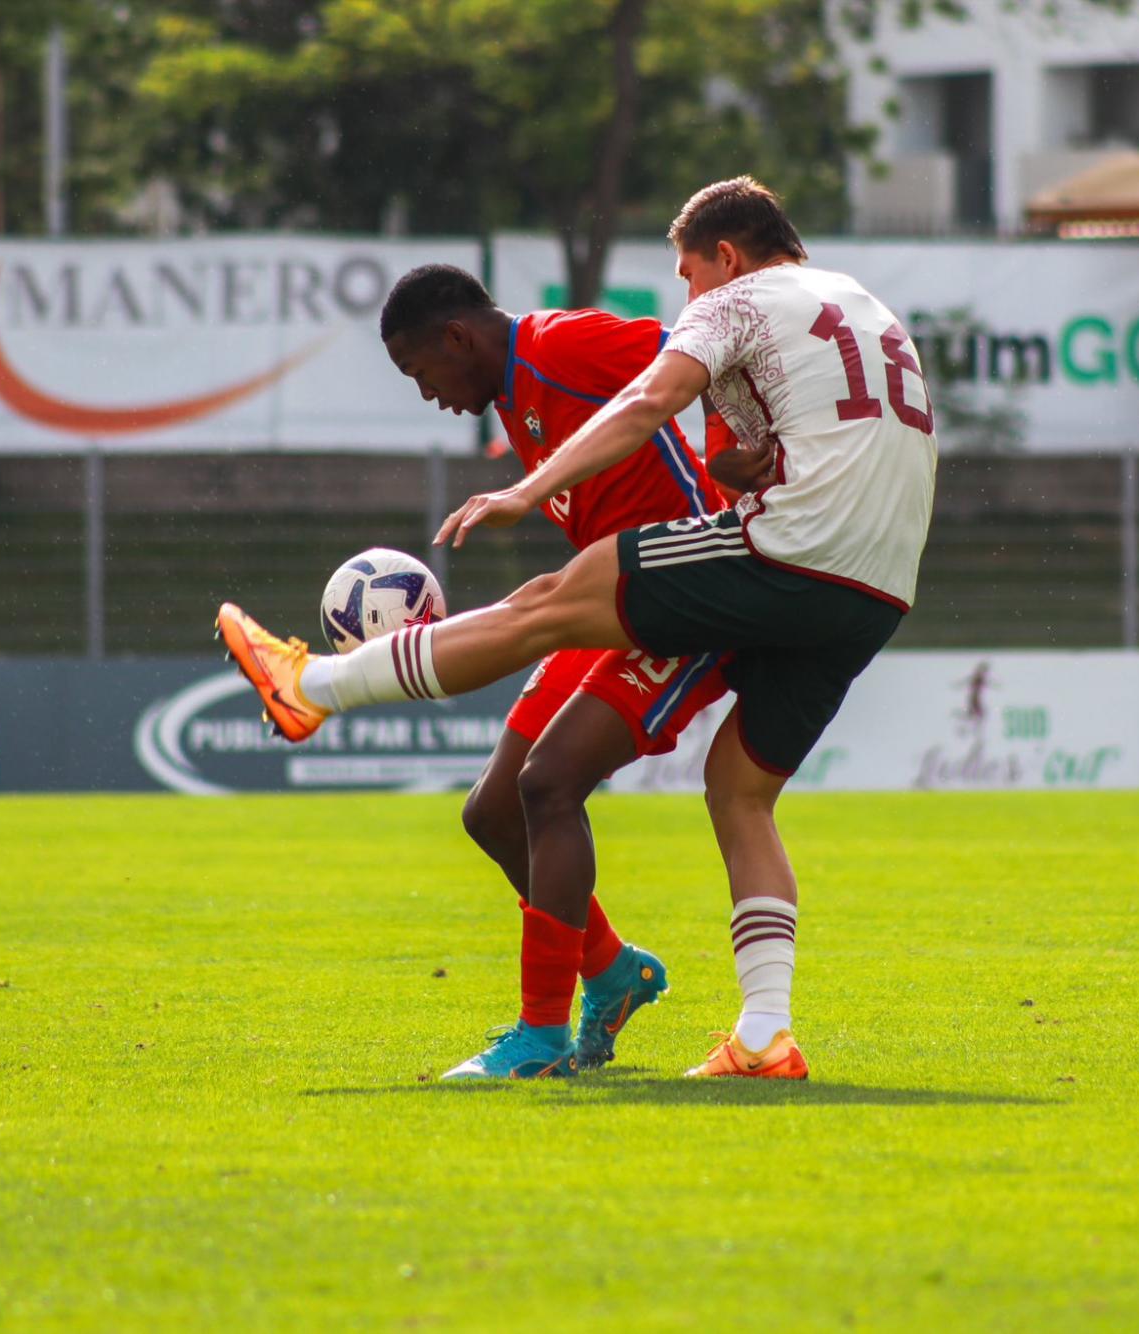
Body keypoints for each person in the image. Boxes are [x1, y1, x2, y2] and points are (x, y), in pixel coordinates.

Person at [219, 175, 937, 1080]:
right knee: (535, 803)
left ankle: (315, 688)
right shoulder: (857, 302)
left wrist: (529, 490)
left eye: (689, 276)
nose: (688, 300)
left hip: (733, 578)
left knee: (546, 694)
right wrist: (734, 449)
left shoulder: (600, 333)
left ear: (725, 256)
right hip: (876, 577)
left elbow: (657, 383)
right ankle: (730, 1022)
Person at [374, 262, 739, 1079]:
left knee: (548, 784)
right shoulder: (512, 398)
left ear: (457, 337)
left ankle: (541, 1037)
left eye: (420, 371)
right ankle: (613, 972)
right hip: (609, 604)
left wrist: (737, 461)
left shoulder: (563, 345)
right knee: (492, 812)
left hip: (684, 601)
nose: (427, 393)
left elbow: (698, 352)